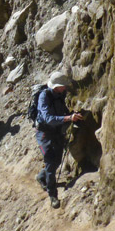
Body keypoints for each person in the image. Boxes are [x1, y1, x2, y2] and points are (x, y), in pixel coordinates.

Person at [35, 71, 84, 209]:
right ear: (56, 86)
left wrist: (72, 115)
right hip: (44, 133)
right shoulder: (44, 96)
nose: (66, 88)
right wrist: (69, 118)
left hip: (56, 131)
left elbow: (62, 111)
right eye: (63, 86)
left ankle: (41, 176)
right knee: (51, 163)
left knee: (56, 160)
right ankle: (52, 195)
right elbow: (48, 118)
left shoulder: (60, 95)